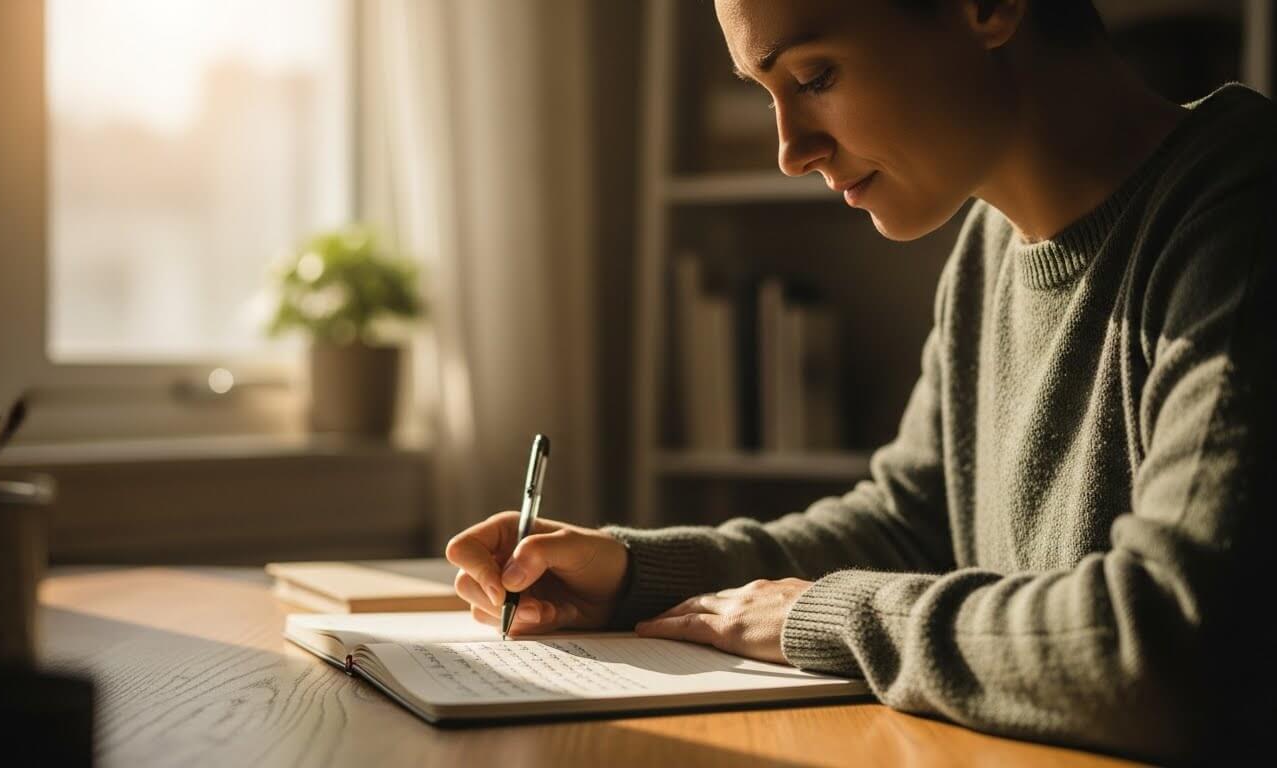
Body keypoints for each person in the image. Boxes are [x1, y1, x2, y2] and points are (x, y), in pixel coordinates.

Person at [447, 0, 1275, 761]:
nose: (789, 152)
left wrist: (821, 616)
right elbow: (910, 525)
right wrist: (634, 576)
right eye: (767, 92)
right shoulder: (989, 247)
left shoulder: (1240, 212)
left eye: (814, 77)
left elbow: (1169, 647)